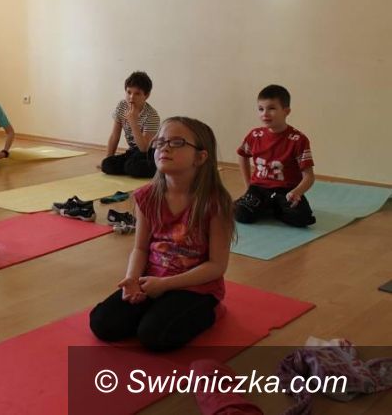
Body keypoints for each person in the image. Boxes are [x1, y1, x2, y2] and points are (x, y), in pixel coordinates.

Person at [90, 117, 234, 351]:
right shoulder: (147, 196)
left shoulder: (214, 203)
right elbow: (140, 248)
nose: (165, 147)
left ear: (200, 157)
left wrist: (167, 284)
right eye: (161, 142)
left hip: (194, 286)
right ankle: (155, 308)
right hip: (153, 280)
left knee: (154, 336)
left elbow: (217, 266)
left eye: (177, 142)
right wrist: (132, 279)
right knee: (103, 324)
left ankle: (213, 310)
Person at [234, 85, 316, 227]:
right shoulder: (254, 135)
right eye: (261, 109)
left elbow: (309, 176)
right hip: (259, 188)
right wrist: (249, 184)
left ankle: (272, 208)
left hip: (286, 191)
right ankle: (263, 205)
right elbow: (242, 155)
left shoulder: (298, 139)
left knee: (302, 218)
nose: (265, 114)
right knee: (241, 214)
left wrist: (297, 192)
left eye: (271, 108)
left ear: (286, 111)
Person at [101, 71, 160, 178]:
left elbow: (144, 148)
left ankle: (158, 168)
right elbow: (114, 136)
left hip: (149, 153)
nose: (131, 97)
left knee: (133, 166)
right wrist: (109, 158)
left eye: (137, 93)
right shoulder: (122, 106)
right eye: (129, 92)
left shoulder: (152, 115)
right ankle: (128, 166)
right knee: (107, 164)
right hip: (133, 152)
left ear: (146, 95)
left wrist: (133, 122)